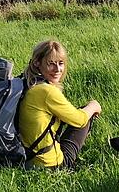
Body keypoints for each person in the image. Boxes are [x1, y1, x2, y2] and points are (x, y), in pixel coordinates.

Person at [17, 40, 102, 170]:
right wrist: (94, 105)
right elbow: (79, 120)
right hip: (48, 164)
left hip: (25, 159)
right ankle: (70, 166)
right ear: (37, 63)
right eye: (51, 63)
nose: (57, 69)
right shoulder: (46, 92)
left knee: (77, 113)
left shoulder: (26, 83)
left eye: (61, 63)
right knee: (85, 115)